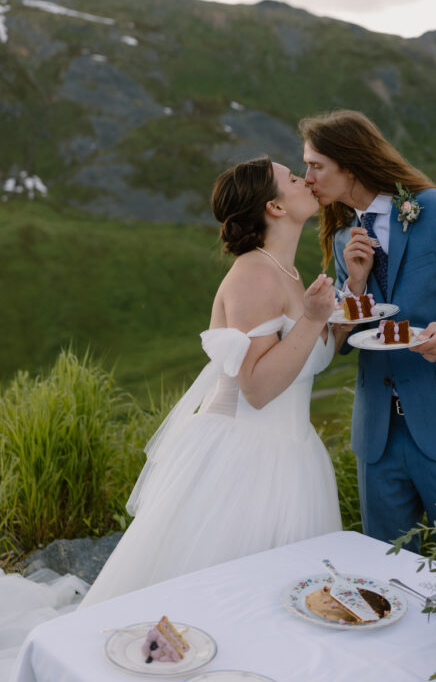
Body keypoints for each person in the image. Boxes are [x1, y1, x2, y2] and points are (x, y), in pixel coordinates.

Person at [80, 156, 342, 607]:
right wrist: (313, 320)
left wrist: (348, 295)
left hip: (293, 454)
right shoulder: (254, 276)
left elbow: (306, 359)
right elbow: (257, 388)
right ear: (275, 207)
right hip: (243, 461)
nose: (307, 182)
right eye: (294, 179)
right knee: (214, 603)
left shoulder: (287, 272)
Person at [300, 110, 436, 563]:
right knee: (386, 577)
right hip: (377, 436)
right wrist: (354, 284)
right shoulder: (343, 238)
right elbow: (349, 328)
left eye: (315, 165)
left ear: (349, 164)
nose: (307, 178)